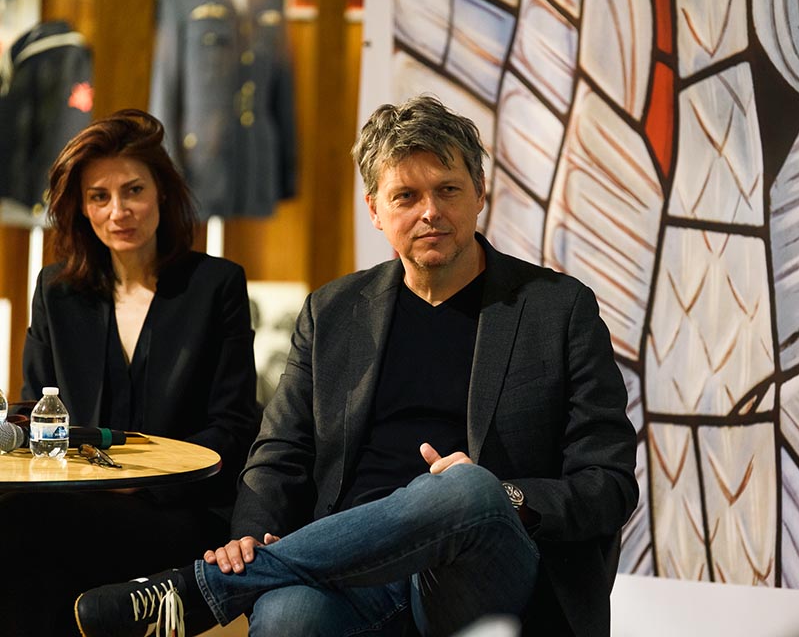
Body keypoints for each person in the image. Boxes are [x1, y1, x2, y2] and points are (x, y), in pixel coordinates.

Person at [73, 95, 639, 637]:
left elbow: (608, 482)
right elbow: (280, 451)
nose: (431, 212)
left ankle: (199, 592)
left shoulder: (557, 308)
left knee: (466, 487)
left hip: (482, 569)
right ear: (374, 209)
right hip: (350, 569)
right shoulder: (333, 311)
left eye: (448, 189)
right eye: (406, 196)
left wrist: (505, 495)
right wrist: (251, 535)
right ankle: (238, 580)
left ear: (480, 193)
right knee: (287, 618)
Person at [0, 109, 260, 636]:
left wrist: (136, 483)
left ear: (162, 192)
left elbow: (233, 426)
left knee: (22, 528)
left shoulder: (216, 285)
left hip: (182, 510)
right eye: (99, 196)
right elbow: (35, 418)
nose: (118, 211)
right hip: (74, 503)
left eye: (133, 190)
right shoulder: (56, 291)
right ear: (82, 207)